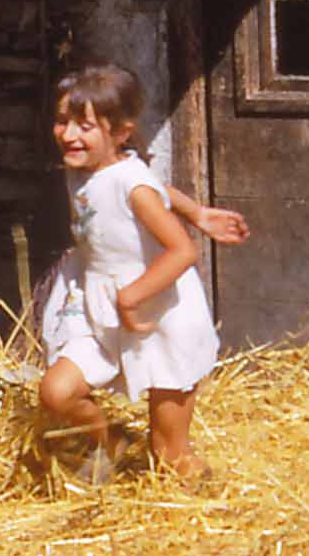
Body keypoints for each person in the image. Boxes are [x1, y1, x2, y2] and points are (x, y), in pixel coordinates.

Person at [39, 64, 224, 486]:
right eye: (62, 121)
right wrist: (194, 209)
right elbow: (150, 181)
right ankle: (109, 444)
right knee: (57, 392)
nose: (69, 135)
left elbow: (183, 251)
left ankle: (211, 506)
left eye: (84, 126)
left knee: (168, 454)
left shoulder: (132, 184)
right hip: (98, 306)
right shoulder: (90, 167)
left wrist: (129, 297)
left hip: (157, 315)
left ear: (120, 132)